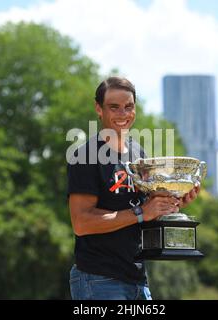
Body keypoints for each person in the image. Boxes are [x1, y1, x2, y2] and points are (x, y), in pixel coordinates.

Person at [67, 76, 200, 300]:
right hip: (99, 279)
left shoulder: (139, 155)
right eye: (114, 107)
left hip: (138, 279)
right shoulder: (85, 156)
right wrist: (141, 212)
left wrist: (172, 204)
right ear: (98, 109)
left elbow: (145, 215)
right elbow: (81, 222)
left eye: (128, 107)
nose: (123, 114)